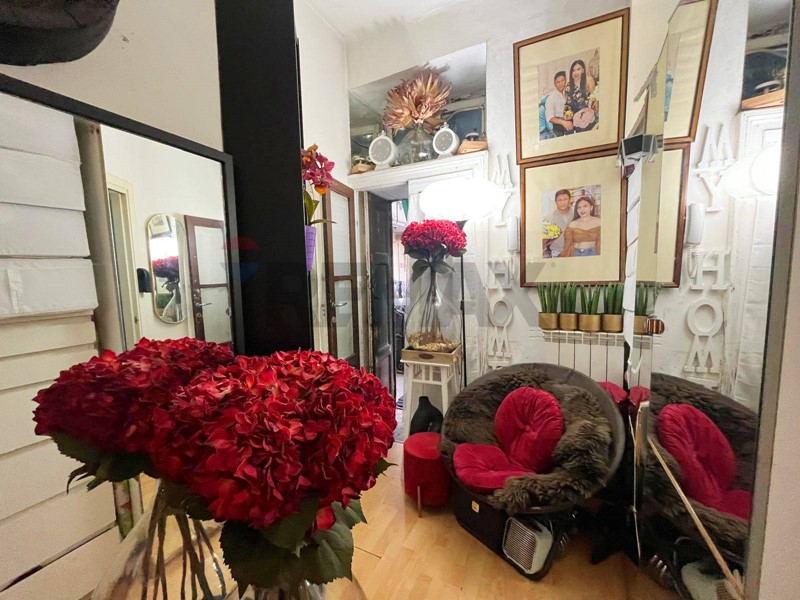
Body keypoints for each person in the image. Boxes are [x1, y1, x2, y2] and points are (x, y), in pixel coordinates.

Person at [567, 59, 598, 132]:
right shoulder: (568, 85)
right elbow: (568, 104)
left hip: (588, 111)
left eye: (578, 69)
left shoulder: (589, 79)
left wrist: (594, 102)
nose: (575, 72)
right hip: (575, 115)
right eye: (573, 70)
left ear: (583, 70)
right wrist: (568, 113)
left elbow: (594, 96)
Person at [544, 71, 574, 137]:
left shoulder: (567, 92)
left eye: (562, 80)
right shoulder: (551, 97)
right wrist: (563, 123)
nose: (560, 84)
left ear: (565, 80)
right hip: (559, 126)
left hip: (570, 121)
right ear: (555, 84)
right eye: (558, 82)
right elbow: (549, 117)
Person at [547, 188, 574, 257]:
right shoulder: (550, 217)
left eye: (565, 199)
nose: (563, 202)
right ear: (556, 202)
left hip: (573, 250)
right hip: (556, 251)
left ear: (569, 200)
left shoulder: (576, 213)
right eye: (560, 200)